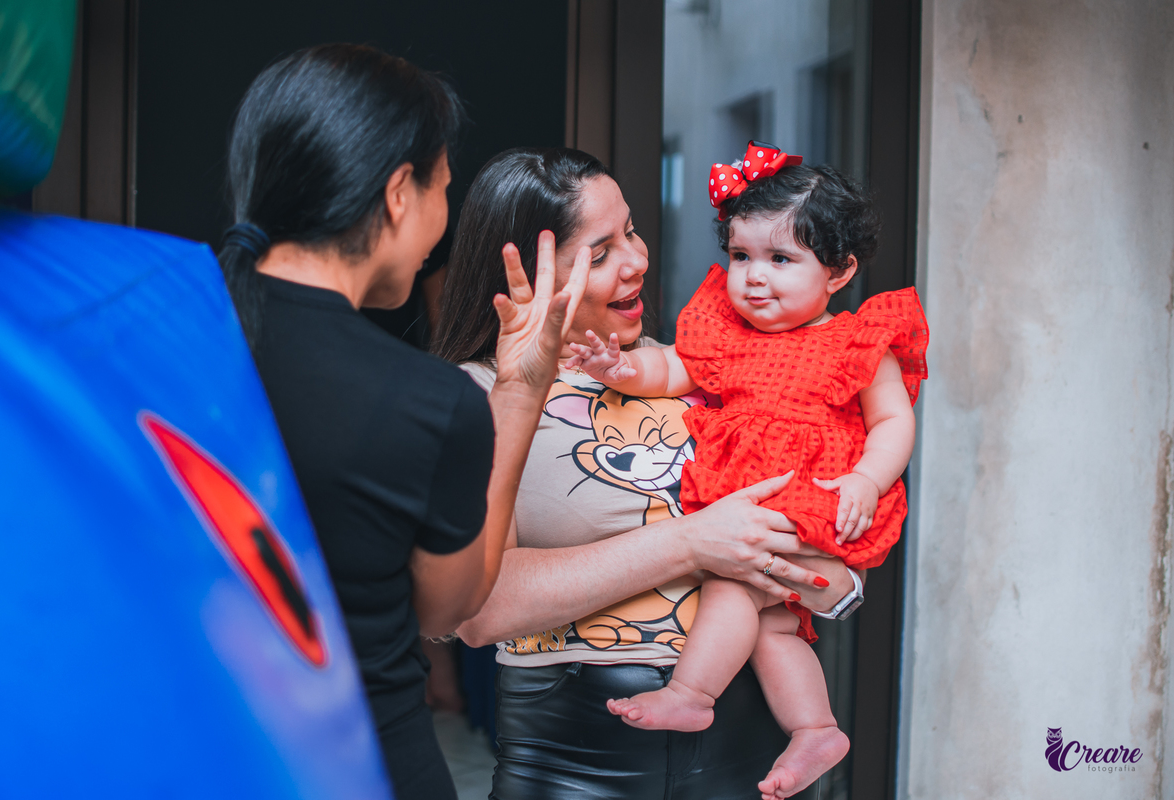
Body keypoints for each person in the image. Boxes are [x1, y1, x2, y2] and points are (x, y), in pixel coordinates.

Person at [215, 46, 590, 800]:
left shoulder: (152, 336)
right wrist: (519, 392)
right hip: (360, 765)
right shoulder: (424, 400)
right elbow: (449, 607)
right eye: (442, 191)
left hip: (188, 748)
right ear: (397, 194)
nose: (439, 228)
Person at [432, 146, 862, 800]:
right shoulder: (480, 394)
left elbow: (834, 579)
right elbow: (476, 609)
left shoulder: (703, 367)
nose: (636, 260)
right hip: (574, 767)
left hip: (750, 761)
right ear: (526, 269)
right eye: (600, 253)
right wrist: (691, 543)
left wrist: (833, 571)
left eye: (630, 231)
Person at [565, 142, 928, 798]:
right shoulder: (727, 334)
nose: (754, 277)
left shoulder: (856, 343)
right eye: (740, 256)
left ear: (839, 272)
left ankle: (690, 691)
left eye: (781, 259)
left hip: (813, 499)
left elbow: (894, 423)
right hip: (749, 503)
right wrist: (621, 369)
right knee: (773, 625)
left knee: (736, 589)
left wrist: (867, 481)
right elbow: (674, 368)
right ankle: (815, 727)